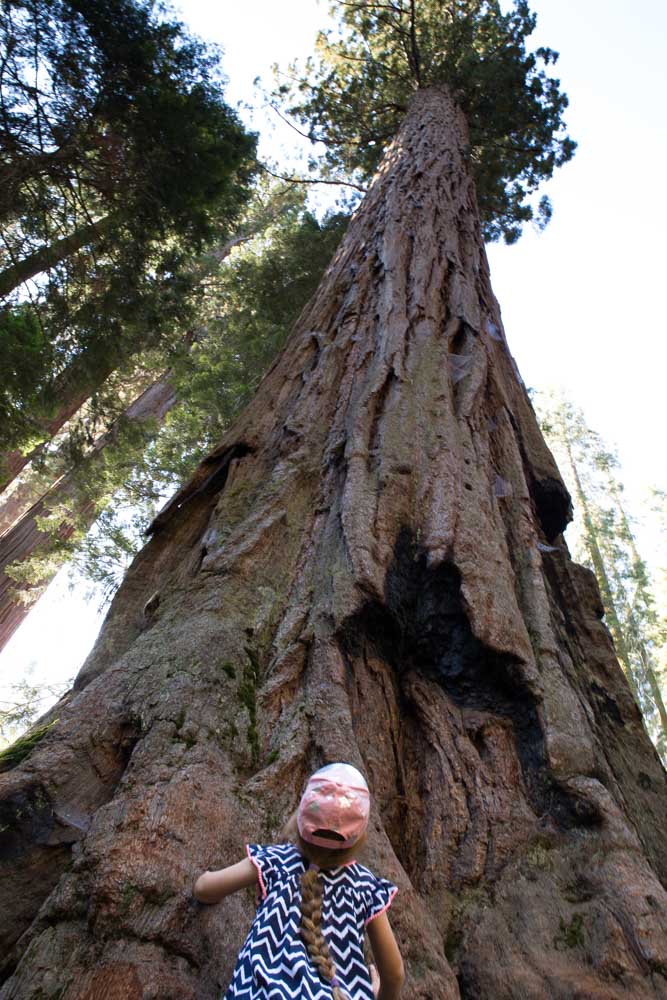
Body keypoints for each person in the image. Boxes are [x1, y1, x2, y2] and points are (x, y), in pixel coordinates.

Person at [194, 762, 405, 999]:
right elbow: (394, 974)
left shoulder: (275, 861)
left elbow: (205, 889)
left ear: (300, 817)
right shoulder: (366, 887)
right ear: (360, 836)